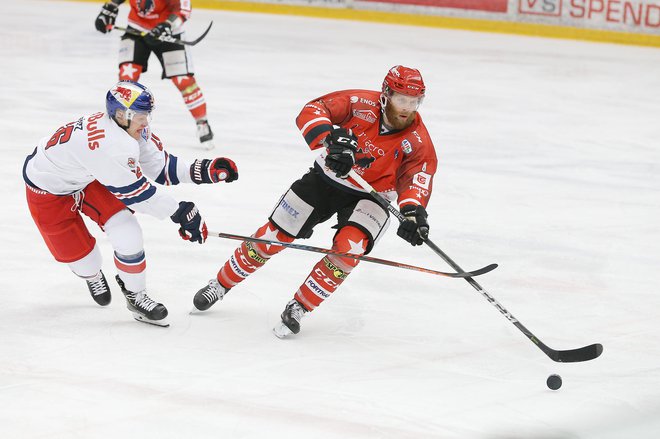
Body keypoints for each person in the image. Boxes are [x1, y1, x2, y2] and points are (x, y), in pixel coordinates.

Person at [192, 65, 438, 337]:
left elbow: (417, 179)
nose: (407, 108)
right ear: (385, 95)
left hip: (373, 196)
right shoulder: (359, 103)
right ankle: (220, 284)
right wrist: (331, 139)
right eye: (401, 99)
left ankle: (299, 307)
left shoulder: (419, 141)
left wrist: (413, 213)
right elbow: (313, 110)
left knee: (349, 250)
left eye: (414, 101)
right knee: (275, 235)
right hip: (326, 180)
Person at [23, 80, 239, 327]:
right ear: (119, 114)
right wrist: (179, 212)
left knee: (127, 229)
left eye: (147, 114)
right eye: (139, 115)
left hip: (87, 177)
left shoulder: (127, 127)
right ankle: (91, 275)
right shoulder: (109, 145)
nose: (145, 122)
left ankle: (136, 296)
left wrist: (204, 171)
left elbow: (160, 167)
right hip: (47, 191)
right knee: (86, 262)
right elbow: (137, 194)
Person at [94, 0, 216, 149]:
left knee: (184, 81)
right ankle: (120, 127)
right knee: (126, 81)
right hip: (137, 29)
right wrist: (110, 7)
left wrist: (168, 25)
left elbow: (184, 9)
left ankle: (202, 122)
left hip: (168, 33)